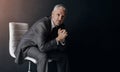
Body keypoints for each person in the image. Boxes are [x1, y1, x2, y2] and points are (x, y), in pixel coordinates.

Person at [14, 4, 69, 72]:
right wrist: (58, 39)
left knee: (63, 57)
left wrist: (62, 40)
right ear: (52, 14)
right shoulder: (42, 24)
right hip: (29, 46)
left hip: (43, 45)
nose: (60, 18)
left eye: (62, 16)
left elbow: (62, 49)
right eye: (58, 15)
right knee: (43, 56)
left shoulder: (61, 26)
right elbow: (42, 48)